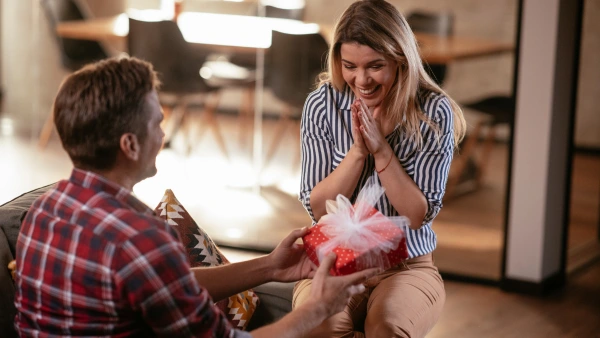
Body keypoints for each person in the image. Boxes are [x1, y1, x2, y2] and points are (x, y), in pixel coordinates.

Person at [13, 56, 380, 337]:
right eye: (157, 122)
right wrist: (316, 309)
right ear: (129, 144)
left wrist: (269, 266)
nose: (163, 131)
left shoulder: (43, 212)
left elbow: (166, 284)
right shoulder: (142, 239)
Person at [294, 0, 467, 337]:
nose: (361, 79)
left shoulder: (433, 111)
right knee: (319, 327)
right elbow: (317, 208)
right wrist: (359, 152)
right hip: (334, 260)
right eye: (349, 66)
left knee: (386, 328)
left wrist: (382, 150)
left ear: (399, 60)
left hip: (405, 267)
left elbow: (417, 214)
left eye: (375, 66)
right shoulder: (323, 103)